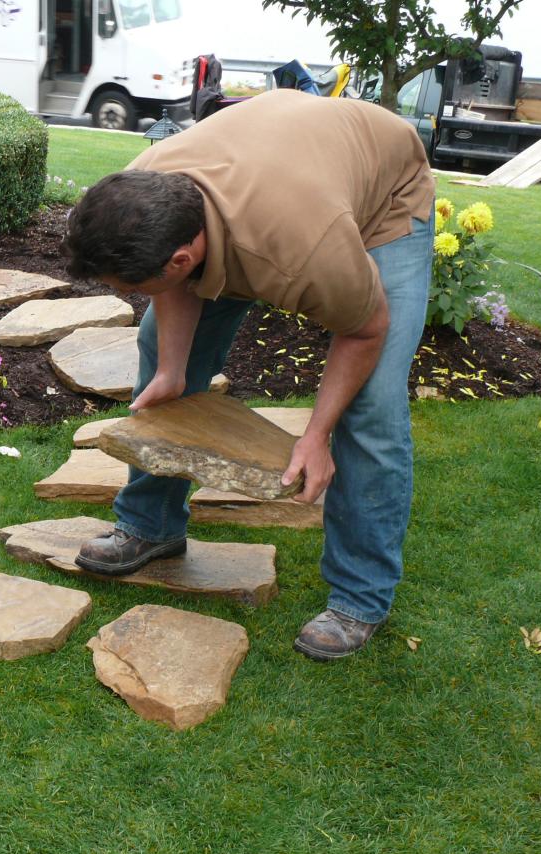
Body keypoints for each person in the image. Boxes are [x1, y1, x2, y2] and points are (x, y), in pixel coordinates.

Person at [62, 89, 435, 662]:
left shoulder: (300, 248)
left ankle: (359, 597)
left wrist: (315, 437)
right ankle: (151, 525)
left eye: (130, 288)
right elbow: (176, 281)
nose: (127, 296)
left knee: (373, 406)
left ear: (182, 257)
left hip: (384, 191)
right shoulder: (145, 184)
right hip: (280, 164)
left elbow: (364, 330)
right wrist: (171, 369)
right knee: (155, 340)